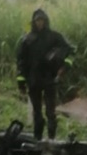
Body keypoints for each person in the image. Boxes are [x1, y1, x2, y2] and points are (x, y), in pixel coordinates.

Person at [16, 9, 75, 141]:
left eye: (42, 20)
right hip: (33, 80)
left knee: (50, 112)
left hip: (50, 79)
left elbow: (70, 51)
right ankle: (37, 139)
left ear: (46, 21)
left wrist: (64, 68)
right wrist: (21, 83)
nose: (40, 23)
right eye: (37, 20)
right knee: (37, 112)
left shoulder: (55, 37)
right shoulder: (27, 40)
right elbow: (21, 62)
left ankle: (51, 139)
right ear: (33, 22)